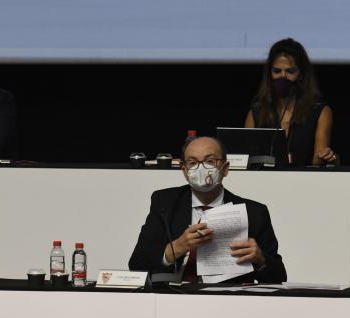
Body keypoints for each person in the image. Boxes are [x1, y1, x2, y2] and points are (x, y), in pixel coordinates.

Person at [128, 137, 287, 284]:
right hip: (176, 298)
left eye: (210, 161)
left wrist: (260, 259)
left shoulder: (254, 212)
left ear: (225, 168)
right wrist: (175, 249)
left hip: (230, 301)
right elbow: (137, 265)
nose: (201, 168)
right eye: (192, 162)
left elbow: (279, 277)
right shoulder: (165, 203)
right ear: (184, 170)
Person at [244, 38, 338, 166]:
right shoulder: (257, 112)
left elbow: (318, 162)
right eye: (277, 71)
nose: (283, 77)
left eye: (290, 71)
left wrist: (328, 157)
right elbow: (246, 160)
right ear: (269, 74)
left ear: (301, 74)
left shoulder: (319, 111)